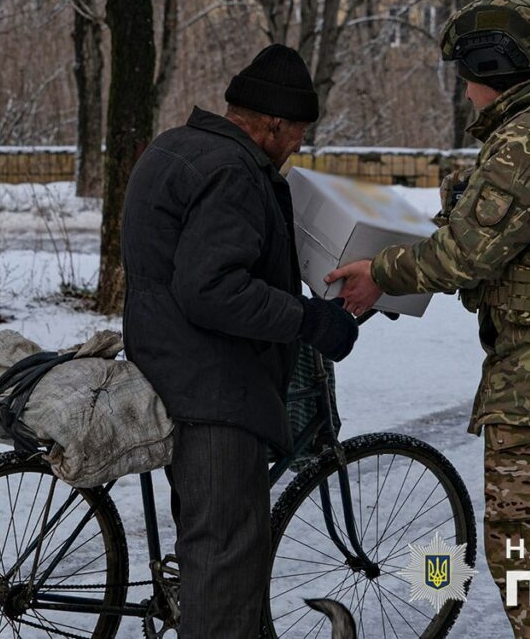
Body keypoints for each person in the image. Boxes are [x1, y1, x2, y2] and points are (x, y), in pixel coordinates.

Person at [327, 0, 530, 638]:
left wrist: (380, 272)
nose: (467, 92)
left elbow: (465, 254)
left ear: (492, 67)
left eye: (467, 75)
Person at [120, 43, 360, 638]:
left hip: (166, 364)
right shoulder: (233, 172)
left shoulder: (178, 146)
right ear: (273, 124)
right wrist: (309, 320)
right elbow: (213, 290)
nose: (299, 144)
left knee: (223, 548)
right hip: (214, 390)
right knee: (224, 559)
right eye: (299, 132)